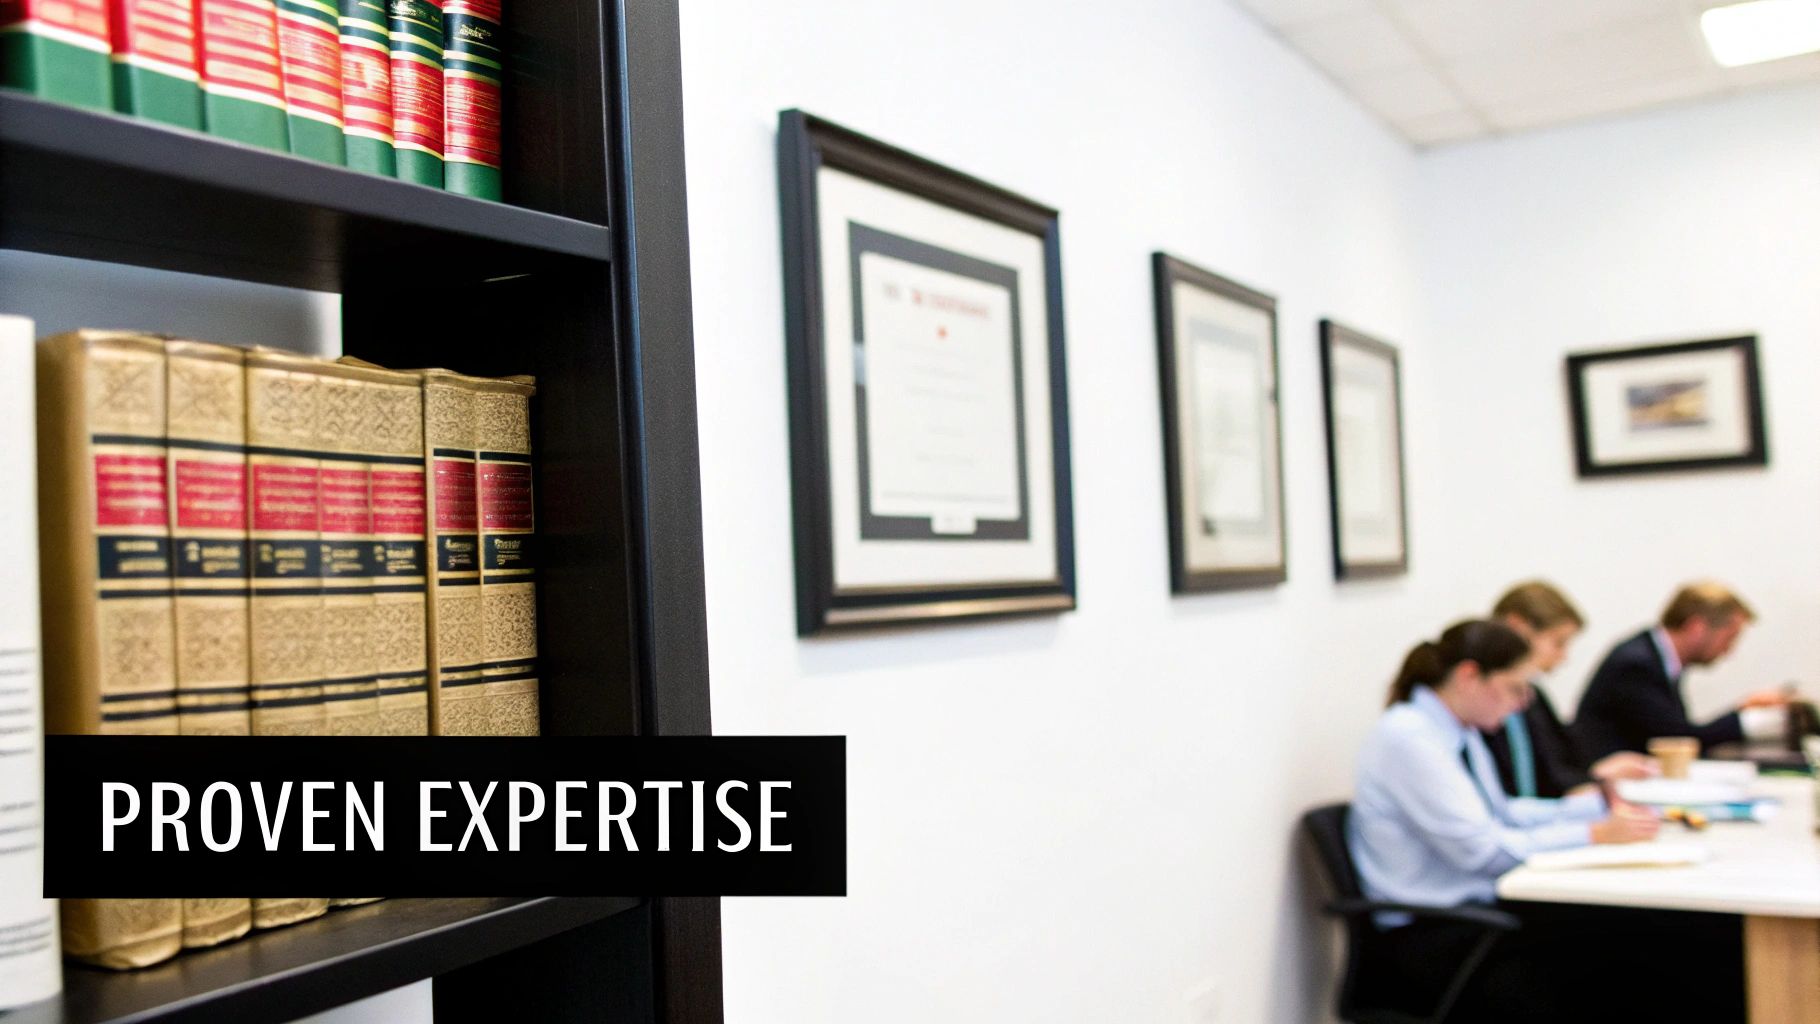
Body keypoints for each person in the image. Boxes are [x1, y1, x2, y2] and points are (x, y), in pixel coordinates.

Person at [1348, 619, 1667, 1022]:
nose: (1522, 703)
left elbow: (1504, 813)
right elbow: (1482, 853)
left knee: (1634, 936)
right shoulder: (1411, 740)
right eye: (1516, 688)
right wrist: (1592, 835)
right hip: (1431, 936)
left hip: (1472, 916)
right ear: (1469, 676)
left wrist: (1595, 805)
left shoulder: (1455, 730)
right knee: (1616, 951)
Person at [1573, 582, 1790, 761]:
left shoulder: (1657, 656)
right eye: (1729, 638)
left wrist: (1743, 708)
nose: (1728, 651)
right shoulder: (1637, 665)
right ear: (1697, 627)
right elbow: (1678, 741)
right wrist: (1747, 718)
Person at [1481, 582, 1654, 798]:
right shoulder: (1481, 705)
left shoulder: (1534, 696)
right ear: (1517, 627)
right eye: (1558, 642)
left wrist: (1598, 775)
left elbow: (1558, 769)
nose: (1564, 656)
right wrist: (1597, 781)